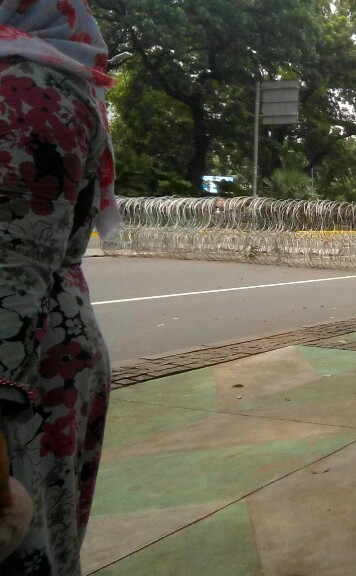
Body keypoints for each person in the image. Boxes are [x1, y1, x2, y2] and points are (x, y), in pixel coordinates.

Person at [0, 2, 119, 574]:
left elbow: (12, 272)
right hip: (45, 350)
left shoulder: (27, 85)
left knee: (32, 542)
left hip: (24, 370)